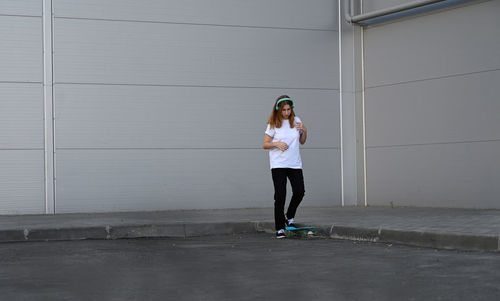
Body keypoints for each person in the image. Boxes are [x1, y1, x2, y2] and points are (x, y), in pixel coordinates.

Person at [262, 95, 307, 239]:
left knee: (300, 191)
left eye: (289, 109)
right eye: (284, 110)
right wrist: (277, 143)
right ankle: (280, 227)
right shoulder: (273, 124)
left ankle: (289, 217)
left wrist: (304, 130)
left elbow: (302, 141)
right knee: (280, 196)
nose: (287, 113)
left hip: (294, 163)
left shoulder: (297, 121)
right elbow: (265, 144)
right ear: (278, 110)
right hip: (278, 164)